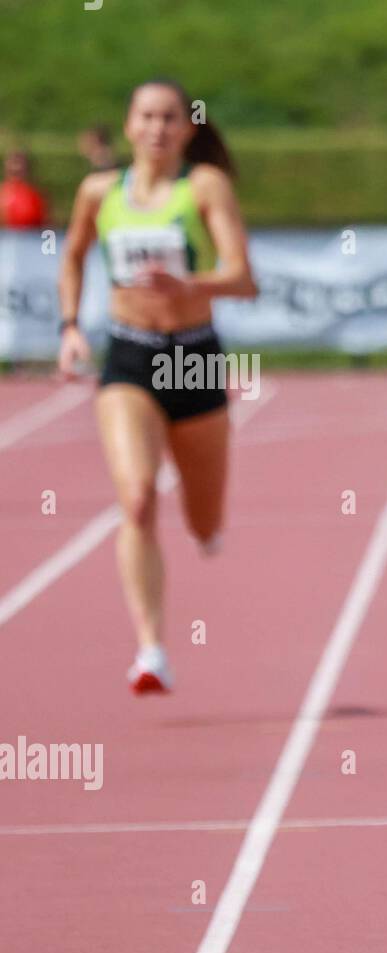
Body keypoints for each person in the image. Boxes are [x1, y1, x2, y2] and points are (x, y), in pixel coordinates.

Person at [57, 79, 257, 694]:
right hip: (129, 359)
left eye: (170, 117)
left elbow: (243, 278)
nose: (157, 128)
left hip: (194, 360)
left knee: (203, 518)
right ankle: (150, 649)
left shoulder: (202, 187)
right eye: (146, 116)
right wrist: (69, 326)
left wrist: (189, 287)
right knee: (138, 498)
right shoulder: (99, 191)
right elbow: (72, 257)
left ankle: (207, 527)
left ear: (188, 127)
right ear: (128, 125)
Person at [1, 150, 49, 228]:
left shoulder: (36, 195)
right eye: (13, 163)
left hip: (30, 237)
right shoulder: (2, 193)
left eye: (19, 163)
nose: (16, 167)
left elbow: (45, 224)